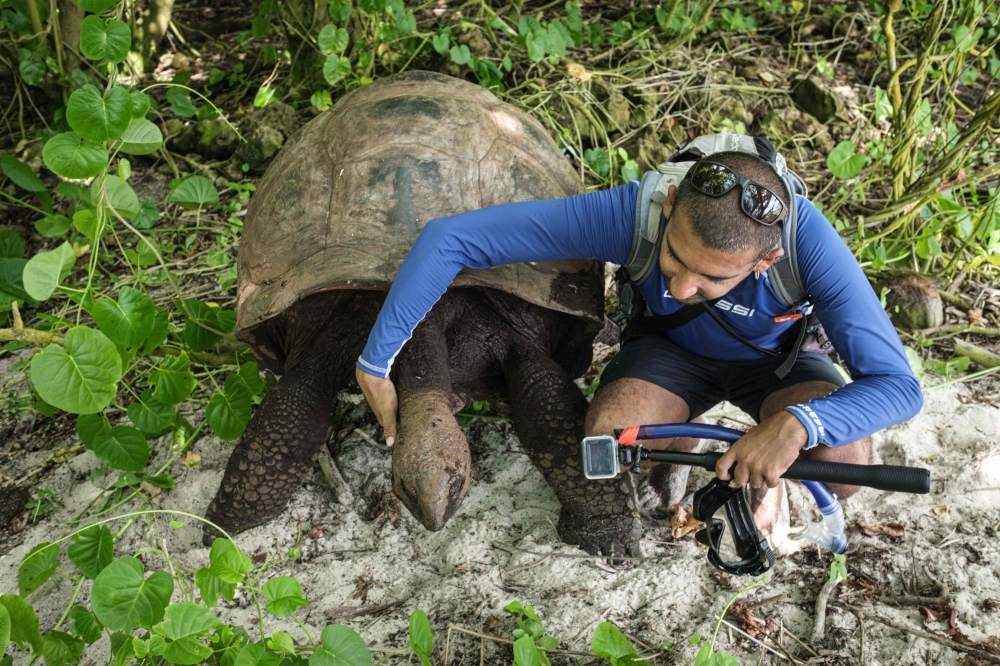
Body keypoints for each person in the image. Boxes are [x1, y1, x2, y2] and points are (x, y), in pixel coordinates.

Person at [353, 144, 924, 537]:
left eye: (710, 278)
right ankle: (688, 450)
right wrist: (375, 362)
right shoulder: (632, 213)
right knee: (605, 444)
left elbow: (901, 387)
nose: (678, 285)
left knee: (843, 465)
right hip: (671, 354)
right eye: (673, 257)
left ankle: (762, 471)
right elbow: (449, 240)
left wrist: (798, 426)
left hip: (781, 363)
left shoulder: (809, 248)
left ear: (766, 259)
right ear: (670, 206)